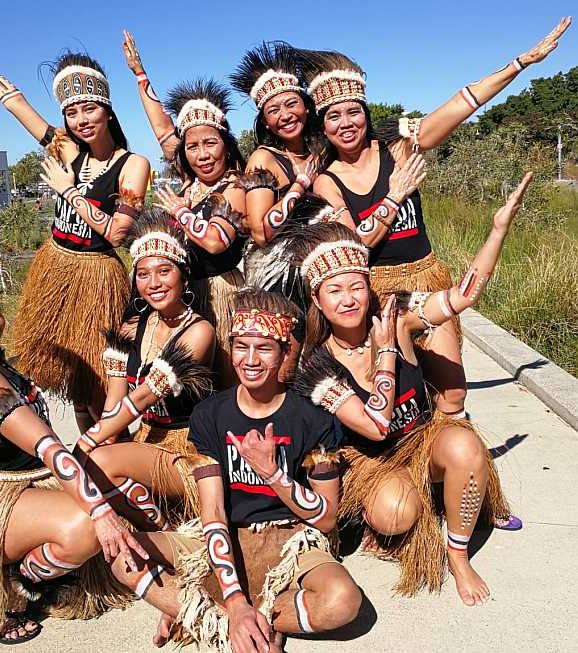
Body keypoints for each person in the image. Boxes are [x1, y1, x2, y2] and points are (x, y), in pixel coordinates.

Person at [297, 17, 571, 422]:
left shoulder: (401, 148)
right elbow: (356, 246)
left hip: (429, 279)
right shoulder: (326, 182)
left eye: (353, 112)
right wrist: (394, 196)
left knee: (452, 394)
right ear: (323, 125)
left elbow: (463, 104)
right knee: (398, 399)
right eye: (333, 117)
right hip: (376, 294)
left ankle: (455, 465)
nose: (346, 123)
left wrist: (522, 63)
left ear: (366, 113)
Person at [291, 174, 532, 606]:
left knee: (465, 448)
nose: (348, 299)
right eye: (335, 291)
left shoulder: (398, 313)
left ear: (369, 287)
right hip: (375, 459)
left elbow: (463, 295)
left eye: (356, 286)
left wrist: (497, 230)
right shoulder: (316, 367)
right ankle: (403, 513)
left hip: (423, 436)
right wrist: (386, 353)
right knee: (396, 513)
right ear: (318, 300)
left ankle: (457, 553)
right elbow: (378, 428)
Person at [0, 229, 147, 652]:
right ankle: (14, 586)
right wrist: (101, 514)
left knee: (123, 484)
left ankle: (40, 565)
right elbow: (51, 449)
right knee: (88, 528)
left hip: (22, 485)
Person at [109, 289, 361, 652]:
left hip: (290, 539)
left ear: (284, 353)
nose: (251, 359)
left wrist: (272, 473)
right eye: (242, 346)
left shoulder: (313, 417)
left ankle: (210, 615)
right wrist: (236, 603)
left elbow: (325, 519)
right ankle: (238, 621)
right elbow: (213, 513)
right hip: (226, 532)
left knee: (342, 601)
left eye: (264, 348)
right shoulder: (210, 415)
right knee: (125, 559)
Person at [0, 9, 151, 431]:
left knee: (99, 377)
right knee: (69, 378)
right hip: (56, 266)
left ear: (108, 111)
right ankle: (87, 457)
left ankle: (114, 449)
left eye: (90, 108)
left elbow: (117, 231)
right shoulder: (66, 150)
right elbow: (15, 102)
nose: (81, 119)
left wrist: (69, 191)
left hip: (97, 275)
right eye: (72, 112)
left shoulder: (133, 164)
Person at [74, 209, 216, 526]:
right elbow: (115, 399)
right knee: (95, 468)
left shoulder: (199, 332)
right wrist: (104, 437)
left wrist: (85, 443)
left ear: (183, 274)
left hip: (189, 449)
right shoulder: (132, 329)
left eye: (164, 271)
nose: (153, 283)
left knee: (95, 460)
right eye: (143, 274)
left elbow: (141, 399)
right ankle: (154, 527)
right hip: (146, 439)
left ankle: (162, 534)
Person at [123, 31, 246, 386]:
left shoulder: (237, 186)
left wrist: (182, 213)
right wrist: (139, 74)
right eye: (193, 146)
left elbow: (214, 242)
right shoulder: (189, 181)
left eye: (211, 143)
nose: (202, 154)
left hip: (222, 292)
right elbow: (162, 126)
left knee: (223, 379)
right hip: (181, 295)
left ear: (226, 144)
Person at [230, 41, 320, 379]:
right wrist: (299, 186)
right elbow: (261, 231)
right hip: (278, 278)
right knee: (285, 362)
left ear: (306, 107)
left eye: (291, 104)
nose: (285, 116)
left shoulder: (320, 151)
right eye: (273, 111)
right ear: (265, 121)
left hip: (316, 268)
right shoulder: (263, 160)